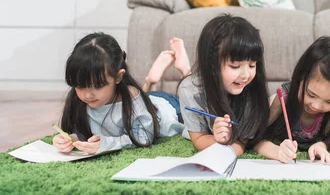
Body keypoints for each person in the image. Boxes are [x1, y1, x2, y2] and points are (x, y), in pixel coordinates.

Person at [52, 33, 188, 154]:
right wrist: (69, 139)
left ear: (118, 77)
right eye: (80, 86)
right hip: (144, 104)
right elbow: (82, 133)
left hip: (167, 107)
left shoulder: (131, 96)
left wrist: (107, 144)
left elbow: (144, 137)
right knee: (144, 101)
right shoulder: (81, 100)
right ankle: (150, 82)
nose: (87, 95)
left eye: (98, 86)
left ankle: (185, 70)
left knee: (192, 102)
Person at [256, 36, 330, 164]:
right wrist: (276, 151)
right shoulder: (283, 99)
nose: (316, 106)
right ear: (299, 78)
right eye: (311, 94)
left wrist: (321, 145)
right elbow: (256, 139)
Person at [178, 14, 270, 156]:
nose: (245, 75)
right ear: (212, 65)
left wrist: (228, 143)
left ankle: (185, 69)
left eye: (252, 65)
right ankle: (184, 68)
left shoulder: (252, 89)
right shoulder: (190, 90)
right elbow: (198, 138)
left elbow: (242, 143)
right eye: (235, 66)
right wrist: (217, 140)